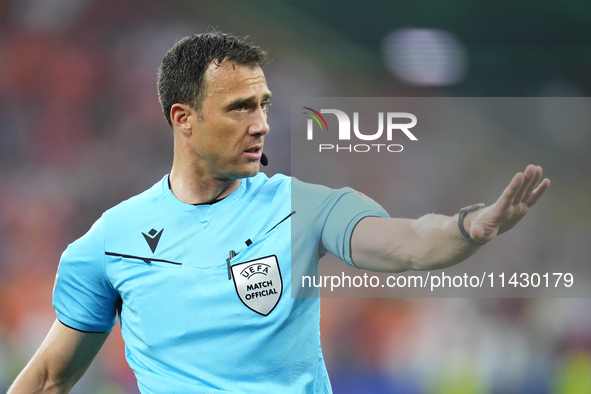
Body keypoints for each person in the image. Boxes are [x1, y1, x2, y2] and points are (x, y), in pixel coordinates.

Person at [8, 32, 550, 394]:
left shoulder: (304, 206)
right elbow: (51, 376)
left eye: (263, 105)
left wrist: (467, 229)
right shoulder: (111, 239)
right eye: (240, 108)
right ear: (184, 119)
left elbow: (407, 244)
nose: (262, 124)